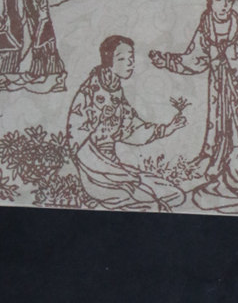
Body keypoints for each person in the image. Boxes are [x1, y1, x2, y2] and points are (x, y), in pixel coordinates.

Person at [67, 35, 187, 211]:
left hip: (114, 168)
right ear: (108, 61)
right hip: (94, 171)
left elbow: (130, 127)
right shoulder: (92, 91)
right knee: (150, 203)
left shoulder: (114, 89)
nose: (130, 63)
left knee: (174, 195)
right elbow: (78, 139)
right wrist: (106, 170)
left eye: (131, 58)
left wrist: (167, 129)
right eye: (122, 59)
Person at [149, 0, 238, 182]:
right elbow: (194, 58)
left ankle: (233, 159)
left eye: (229, 1)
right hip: (217, 84)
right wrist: (167, 61)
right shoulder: (206, 26)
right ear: (210, 0)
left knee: (237, 121)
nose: (224, 6)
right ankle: (212, 155)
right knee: (217, 119)